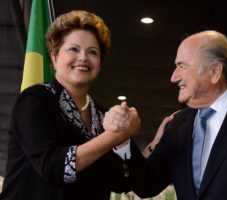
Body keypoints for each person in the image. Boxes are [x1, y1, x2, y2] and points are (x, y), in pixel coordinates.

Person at [107, 30, 227, 199]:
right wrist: (124, 141)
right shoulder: (176, 126)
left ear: (215, 71)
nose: (173, 77)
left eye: (181, 66)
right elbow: (148, 184)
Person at [0, 10, 140, 200]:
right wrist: (117, 135)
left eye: (93, 52)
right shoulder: (34, 100)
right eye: (73, 49)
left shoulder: (102, 115)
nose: (83, 57)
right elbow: (55, 167)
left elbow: (119, 181)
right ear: (55, 58)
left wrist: (150, 142)